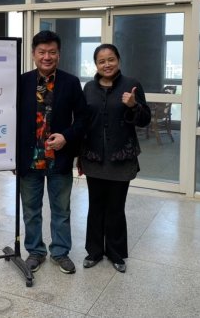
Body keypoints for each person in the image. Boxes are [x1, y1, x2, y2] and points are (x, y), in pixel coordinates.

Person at [18, 30, 87, 275]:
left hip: (59, 158)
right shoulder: (22, 82)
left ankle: (60, 252)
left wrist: (66, 137)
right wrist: (12, 158)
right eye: (42, 52)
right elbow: (11, 120)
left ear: (59, 54)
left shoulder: (71, 82)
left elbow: (83, 119)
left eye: (52, 52)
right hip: (29, 159)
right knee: (31, 211)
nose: (47, 57)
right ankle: (35, 251)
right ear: (33, 54)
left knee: (61, 210)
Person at [78, 43, 151, 273]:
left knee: (116, 208)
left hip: (121, 158)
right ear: (96, 65)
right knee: (95, 206)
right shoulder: (89, 88)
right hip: (93, 157)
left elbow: (145, 120)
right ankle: (94, 251)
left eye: (111, 59)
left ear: (118, 60)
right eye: (101, 61)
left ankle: (116, 253)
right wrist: (79, 155)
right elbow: (83, 122)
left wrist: (134, 105)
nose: (107, 64)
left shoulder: (131, 85)